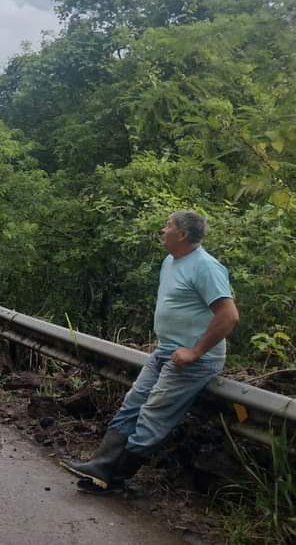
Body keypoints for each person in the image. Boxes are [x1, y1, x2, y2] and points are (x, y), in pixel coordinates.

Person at [62, 210, 238, 493]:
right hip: (164, 351)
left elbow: (228, 316)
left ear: (182, 234)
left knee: (153, 415)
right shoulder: (170, 261)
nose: (162, 228)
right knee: (132, 405)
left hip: (192, 361)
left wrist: (194, 352)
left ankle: (112, 476)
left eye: (167, 225)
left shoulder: (206, 266)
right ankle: (102, 466)